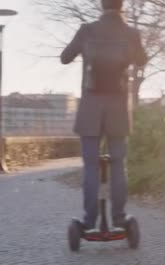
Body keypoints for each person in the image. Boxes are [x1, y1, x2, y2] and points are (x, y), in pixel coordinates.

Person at [60, 0, 147, 233]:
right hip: (118, 108)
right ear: (122, 5)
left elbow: (64, 57)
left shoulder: (87, 30)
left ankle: (89, 221)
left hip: (90, 108)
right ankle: (119, 218)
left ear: (101, 5)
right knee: (119, 165)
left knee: (90, 167)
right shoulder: (131, 33)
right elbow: (142, 60)